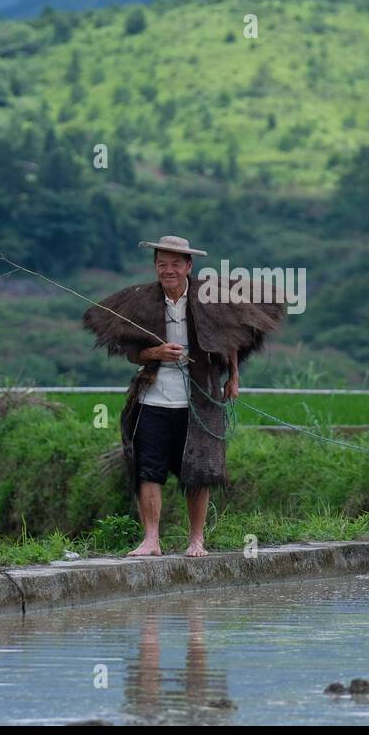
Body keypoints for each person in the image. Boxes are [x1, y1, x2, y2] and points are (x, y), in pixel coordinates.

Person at [82, 235, 285, 557]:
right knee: (148, 469)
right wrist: (156, 351)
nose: (168, 270)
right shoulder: (141, 301)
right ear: (155, 267)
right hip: (153, 398)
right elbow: (134, 354)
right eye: (162, 264)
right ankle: (151, 540)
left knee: (199, 471)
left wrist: (233, 377)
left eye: (175, 264)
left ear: (188, 266)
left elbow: (230, 337)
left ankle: (196, 540)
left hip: (200, 396)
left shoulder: (212, 298)